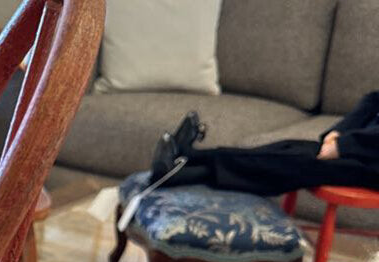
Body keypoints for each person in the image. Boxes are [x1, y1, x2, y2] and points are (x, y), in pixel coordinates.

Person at [150, 90, 379, 196]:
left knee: (293, 163)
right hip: (360, 146)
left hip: (371, 164)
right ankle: (183, 170)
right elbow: (373, 99)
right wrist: (338, 133)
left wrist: (346, 145)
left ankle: (189, 158)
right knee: (285, 149)